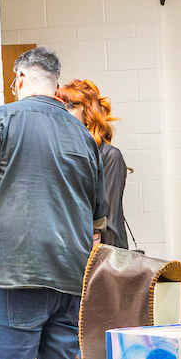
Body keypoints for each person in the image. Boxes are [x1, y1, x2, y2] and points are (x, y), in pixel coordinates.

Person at [0, 46, 108, 359]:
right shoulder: (84, 138)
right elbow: (97, 226)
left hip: (13, 281)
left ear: (21, 79)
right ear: (55, 86)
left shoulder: (0, 121)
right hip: (70, 284)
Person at [58, 79, 130, 248]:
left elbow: (109, 221)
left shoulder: (109, 156)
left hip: (103, 253)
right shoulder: (60, 153)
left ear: (89, 112)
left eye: (72, 105)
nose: (64, 111)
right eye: (62, 105)